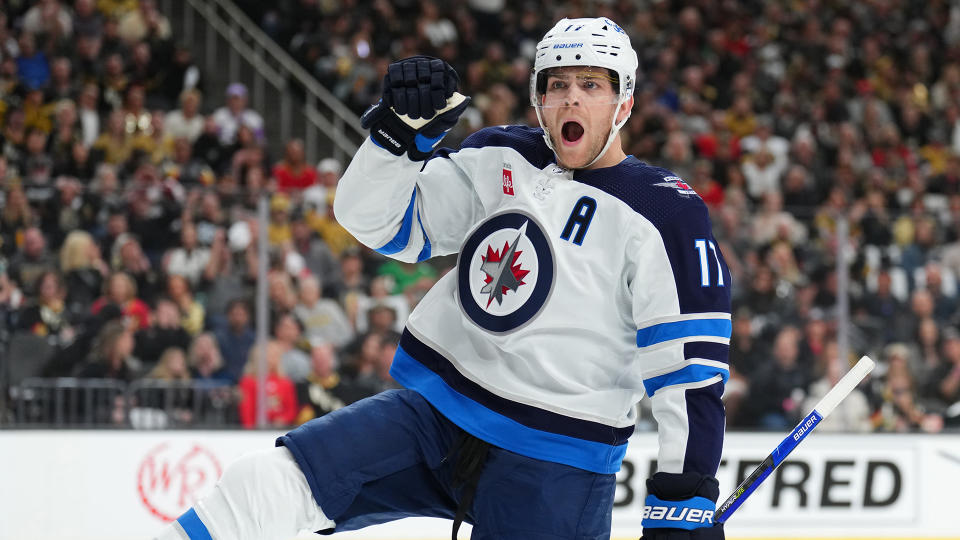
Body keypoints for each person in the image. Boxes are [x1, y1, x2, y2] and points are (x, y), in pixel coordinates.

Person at [155, 18, 729, 540]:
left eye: (591, 84)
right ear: (540, 98)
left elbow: (688, 375)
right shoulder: (501, 156)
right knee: (267, 485)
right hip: (436, 416)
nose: (571, 97)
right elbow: (376, 223)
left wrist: (685, 499)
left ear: (622, 103)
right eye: (557, 84)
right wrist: (394, 142)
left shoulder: (667, 214)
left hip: (558, 459)